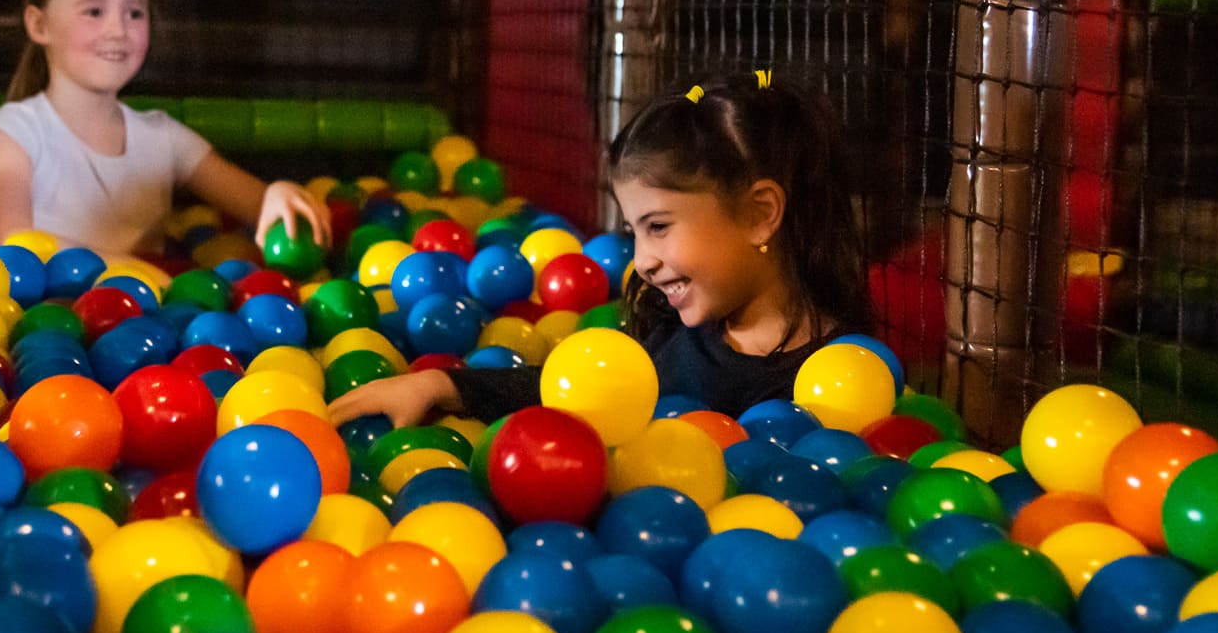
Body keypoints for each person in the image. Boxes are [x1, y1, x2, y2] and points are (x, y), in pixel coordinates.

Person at [328, 71, 872, 427]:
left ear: (760, 214)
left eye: (658, 226)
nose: (642, 259)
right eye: (634, 232)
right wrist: (440, 382)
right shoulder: (671, 338)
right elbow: (574, 392)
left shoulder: (841, 379)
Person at [0, 0, 332, 256]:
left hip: (147, 323)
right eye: (94, 11)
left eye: (135, 13)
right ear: (39, 24)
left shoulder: (162, 138)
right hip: (45, 322)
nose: (118, 29)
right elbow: (8, 242)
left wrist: (278, 194)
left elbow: (258, 204)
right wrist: (132, 274)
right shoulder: (17, 130)